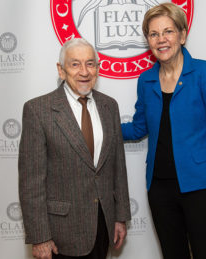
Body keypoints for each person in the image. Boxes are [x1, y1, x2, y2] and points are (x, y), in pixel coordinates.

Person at [121, 3, 206, 259]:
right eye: (154, 34)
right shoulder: (145, 80)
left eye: (168, 31)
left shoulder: (205, 73)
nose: (161, 39)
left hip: (203, 189)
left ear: (182, 34)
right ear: (148, 41)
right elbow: (139, 127)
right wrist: (97, 126)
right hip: (160, 190)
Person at [19, 38, 131, 259]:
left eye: (90, 64)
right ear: (61, 70)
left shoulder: (110, 106)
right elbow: (31, 183)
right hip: (60, 233)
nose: (84, 71)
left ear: (98, 69)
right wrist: (40, 237)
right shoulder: (38, 110)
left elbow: (118, 167)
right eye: (75, 64)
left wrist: (120, 216)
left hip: (102, 225)